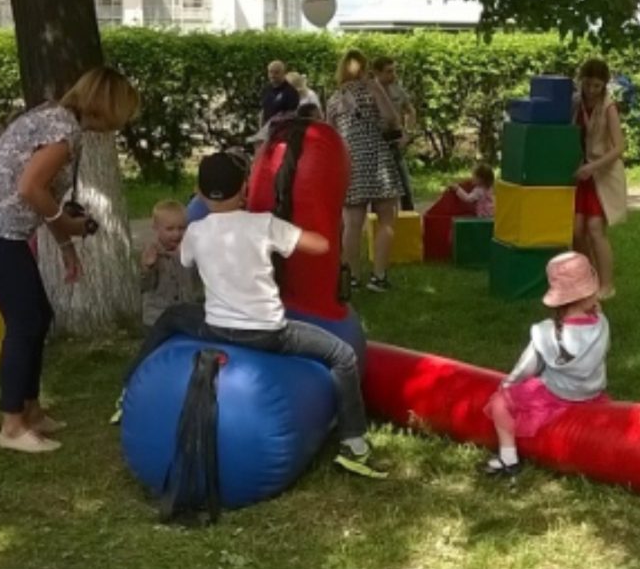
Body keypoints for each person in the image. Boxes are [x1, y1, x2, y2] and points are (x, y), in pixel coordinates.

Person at [115, 152, 387, 478]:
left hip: (215, 328)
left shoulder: (196, 232)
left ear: (199, 193)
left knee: (172, 317)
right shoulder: (263, 224)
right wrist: (302, 226)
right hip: (268, 334)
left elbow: (185, 259)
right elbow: (320, 246)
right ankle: (353, 443)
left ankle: (127, 388)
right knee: (342, 355)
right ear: (245, 187)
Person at [0, 66, 140, 453]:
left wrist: (65, 247)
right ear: (106, 107)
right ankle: (12, 426)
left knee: (38, 316)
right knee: (25, 322)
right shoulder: (63, 133)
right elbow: (30, 189)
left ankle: (31, 410)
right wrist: (69, 228)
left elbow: (45, 198)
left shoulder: (51, 117)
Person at [484, 252, 610, 478]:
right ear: (589, 292)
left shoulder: (545, 331)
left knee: (500, 404)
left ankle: (508, 458)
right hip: (592, 392)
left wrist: (507, 384)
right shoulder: (602, 325)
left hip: (558, 392)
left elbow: (526, 367)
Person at [326, 49, 403, 293]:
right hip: (377, 157)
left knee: (352, 223)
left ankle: (352, 277)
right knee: (386, 219)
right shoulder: (371, 89)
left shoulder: (334, 98)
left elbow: (331, 134)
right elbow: (391, 118)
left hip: (350, 161)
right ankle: (378, 276)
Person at [572, 58, 627, 301]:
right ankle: (587, 279)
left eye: (597, 86)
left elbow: (619, 148)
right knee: (576, 230)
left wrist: (593, 166)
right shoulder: (575, 103)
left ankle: (607, 285)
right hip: (581, 173)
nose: (592, 90)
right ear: (582, 81)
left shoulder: (609, 107)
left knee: (595, 229)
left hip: (602, 174)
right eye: (589, 84)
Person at [140, 199, 201, 330]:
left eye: (181, 228)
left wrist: (190, 255)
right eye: (170, 229)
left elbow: (200, 280)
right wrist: (147, 267)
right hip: (157, 317)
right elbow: (144, 286)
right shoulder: (151, 252)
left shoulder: (190, 250)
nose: (176, 234)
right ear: (156, 228)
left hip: (187, 314)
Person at [373, 57, 417, 211]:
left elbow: (411, 111)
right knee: (378, 189)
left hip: (395, 142)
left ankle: (410, 222)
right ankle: (377, 225)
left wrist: (408, 133)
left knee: (405, 186)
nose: (393, 75)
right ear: (377, 73)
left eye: (394, 71)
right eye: (388, 71)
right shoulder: (368, 92)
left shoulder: (397, 89)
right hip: (376, 143)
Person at [261, 60, 300, 126]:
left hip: (283, 130)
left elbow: (292, 114)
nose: (272, 75)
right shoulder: (266, 89)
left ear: (283, 73)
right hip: (267, 130)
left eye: (276, 72)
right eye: (270, 72)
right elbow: (263, 110)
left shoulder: (291, 92)